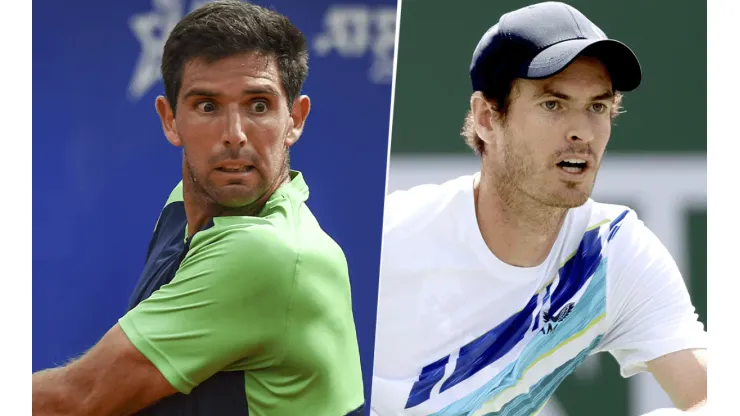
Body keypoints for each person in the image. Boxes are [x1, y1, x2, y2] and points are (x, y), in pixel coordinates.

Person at [371, 2, 707, 415]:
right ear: (486, 118)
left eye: (597, 107)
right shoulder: (383, 243)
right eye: (553, 104)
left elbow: (712, 397)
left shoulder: (614, 251)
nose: (581, 131)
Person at [32, 1, 365, 415]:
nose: (234, 135)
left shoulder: (269, 254)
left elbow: (75, 401)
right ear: (170, 120)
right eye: (207, 106)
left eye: (258, 105)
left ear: (295, 119)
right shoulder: (184, 206)